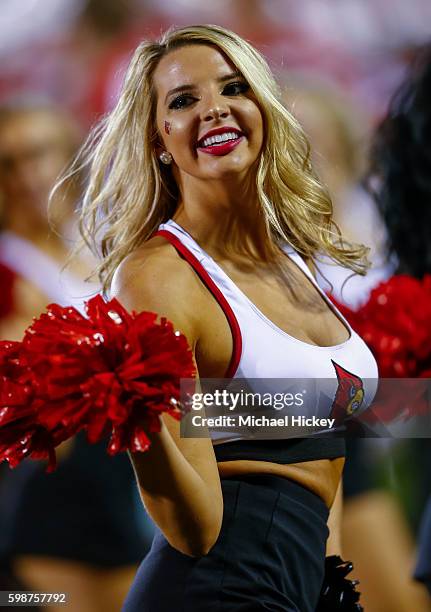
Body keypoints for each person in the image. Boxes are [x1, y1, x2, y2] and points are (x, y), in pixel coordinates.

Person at [66, 25, 379, 611]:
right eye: (183, 101)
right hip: (219, 589)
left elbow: (312, 426)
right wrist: (137, 414)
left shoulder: (293, 255)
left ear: (262, 106)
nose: (213, 109)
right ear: (159, 140)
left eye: (233, 87)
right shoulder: (156, 275)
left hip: (301, 577)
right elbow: (194, 528)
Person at [0, 102, 153, 612]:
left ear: (70, 157)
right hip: (46, 501)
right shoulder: (7, 272)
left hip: (123, 487)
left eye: (38, 154)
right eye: (8, 164)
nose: (26, 176)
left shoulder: (103, 248)